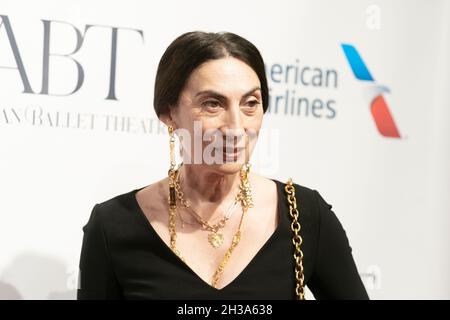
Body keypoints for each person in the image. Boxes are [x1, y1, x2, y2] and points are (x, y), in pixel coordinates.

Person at [77, 31, 369, 300]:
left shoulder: (304, 215)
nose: (236, 127)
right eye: (213, 104)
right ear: (168, 113)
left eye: (250, 103)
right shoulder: (113, 226)